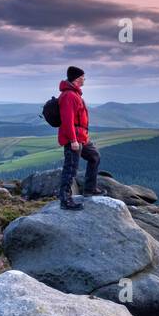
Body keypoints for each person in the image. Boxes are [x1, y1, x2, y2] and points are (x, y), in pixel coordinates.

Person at [57, 66, 102, 209]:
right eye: (83, 77)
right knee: (70, 169)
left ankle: (90, 189)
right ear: (77, 79)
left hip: (82, 137)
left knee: (94, 156)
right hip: (74, 138)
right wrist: (73, 140)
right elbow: (67, 121)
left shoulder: (75, 94)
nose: (85, 79)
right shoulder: (69, 96)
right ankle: (65, 200)